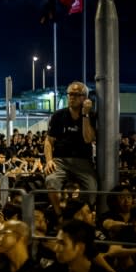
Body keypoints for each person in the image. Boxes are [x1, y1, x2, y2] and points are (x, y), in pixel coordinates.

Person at [44, 81, 98, 214]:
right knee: (51, 181)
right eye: (70, 94)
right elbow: (49, 141)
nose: (71, 97)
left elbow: (88, 139)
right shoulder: (58, 115)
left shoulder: (91, 115)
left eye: (76, 94)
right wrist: (49, 160)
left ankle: (80, 214)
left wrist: (85, 114)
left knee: (92, 188)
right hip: (60, 160)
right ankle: (60, 215)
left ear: (84, 98)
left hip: (83, 161)